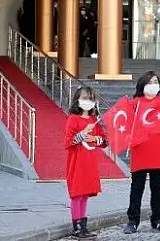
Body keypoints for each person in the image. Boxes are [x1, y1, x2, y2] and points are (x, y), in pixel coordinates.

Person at [123, 71, 160, 234]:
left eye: (156, 81)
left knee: (157, 188)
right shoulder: (134, 103)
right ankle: (132, 220)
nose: (153, 85)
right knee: (137, 187)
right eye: (150, 82)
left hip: (158, 150)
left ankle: (157, 219)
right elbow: (124, 123)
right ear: (143, 85)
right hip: (141, 149)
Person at [65, 86, 107, 239]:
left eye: (90, 98)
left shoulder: (94, 120)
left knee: (84, 195)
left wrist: (96, 139)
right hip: (77, 163)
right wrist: (82, 134)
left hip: (90, 163)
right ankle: (76, 227)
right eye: (84, 98)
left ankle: (83, 226)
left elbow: (103, 141)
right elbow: (69, 141)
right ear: (77, 100)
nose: (87, 101)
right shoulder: (73, 119)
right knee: (77, 194)